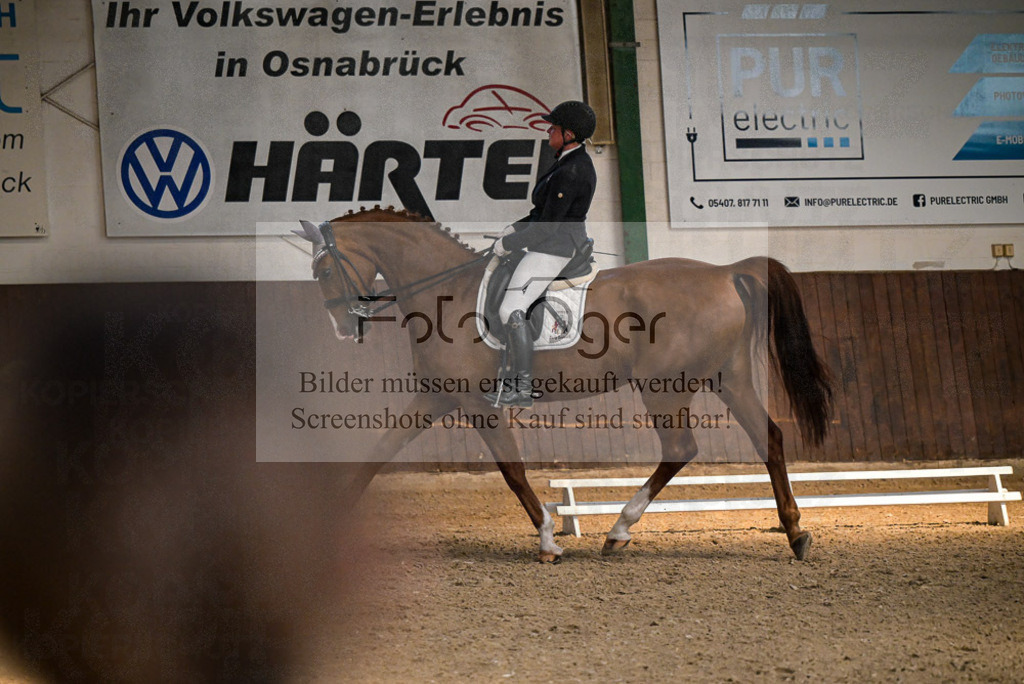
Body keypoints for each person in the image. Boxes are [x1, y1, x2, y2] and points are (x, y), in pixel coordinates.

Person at [485, 100, 598, 408]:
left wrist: (508, 245)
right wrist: (513, 229)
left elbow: (548, 226)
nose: (548, 131)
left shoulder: (573, 170)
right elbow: (541, 212)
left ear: (569, 134)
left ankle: (522, 387)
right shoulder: (565, 161)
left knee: (511, 309)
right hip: (549, 241)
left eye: (554, 127)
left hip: (557, 247)